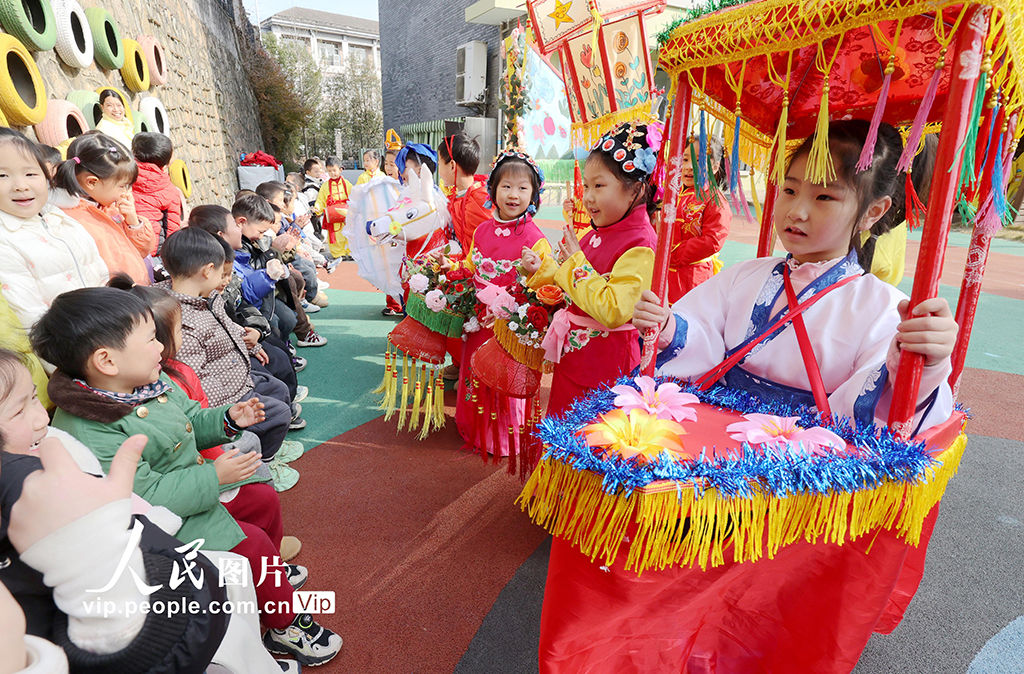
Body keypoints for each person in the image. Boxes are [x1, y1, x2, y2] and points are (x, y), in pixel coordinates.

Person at [30, 287, 343, 667]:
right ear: (107, 361)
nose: (161, 348)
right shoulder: (91, 425)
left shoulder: (143, 385)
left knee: (262, 499)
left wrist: (228, 419)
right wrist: (214, 476)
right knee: (253, 544)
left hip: (190, 488)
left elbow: (192, 417)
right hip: (156, 525)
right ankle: (284, 626)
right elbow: (145, 497)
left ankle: (267, 578)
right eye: (149, 340)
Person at [520, 122, 659, 415]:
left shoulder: (641, 242)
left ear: (635, 189)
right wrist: (541, 269)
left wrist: (574, 263)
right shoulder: (597, 232)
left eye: (599, 185)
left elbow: (615, 309)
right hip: (577, 361)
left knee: (592, 444)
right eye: (586, 185)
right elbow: (568, 280)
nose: (588, 196)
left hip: (607, 367)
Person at [156, 228, 300, 462]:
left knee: (279, 388)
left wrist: (252, 344)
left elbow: (227, 324)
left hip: (235, 374)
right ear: (207, 271)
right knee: (278, 413)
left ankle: (267, 443)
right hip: (224, 397)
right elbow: (196, 382)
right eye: (223, 272)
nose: (227, 279)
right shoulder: (180, 321)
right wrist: (233, 408)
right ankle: (262, 459)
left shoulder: (206, 296)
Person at [444, 151, 550, 459]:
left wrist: (529, 278)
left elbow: (545, 284)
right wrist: (451, 272)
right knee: (475, 370)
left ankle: (502, 437)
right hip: (479, 321)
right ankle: (471, 425)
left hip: (509, 329)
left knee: (503, 377)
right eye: (506, 186)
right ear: (493, 189)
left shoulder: (534, 236)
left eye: (522, 188)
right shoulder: (482, 230)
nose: (513, 195)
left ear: (533, 194)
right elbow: (469, 265)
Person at [0, 130, 108, 337]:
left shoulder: (61, 219)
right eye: (2, 175)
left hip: (106, 332)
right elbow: (30, 320)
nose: (21, 186)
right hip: (71, 352)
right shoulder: (4, 241)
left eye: (30, 174)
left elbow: (100, 273)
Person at [188, 204, 309, 374]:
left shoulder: (243, 247)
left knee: (282, 331)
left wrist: (257, 330)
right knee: (275, 352)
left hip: (253, 315)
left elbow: (239, 298)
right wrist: (271, 261)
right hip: (249, 319)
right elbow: (239, 296)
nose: (227, 280)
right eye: (235, 225)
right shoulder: (222, 264)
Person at [51, 132, 155, 285]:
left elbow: (141, 252)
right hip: (115, 302)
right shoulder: (67, 220)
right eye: (122, 186)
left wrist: (134, 222)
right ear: (92, 182)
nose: (125, 193)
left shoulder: (109, 207)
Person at [232, 195, 327, 349]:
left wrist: (285, 248)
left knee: (289, 316)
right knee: (276, 321)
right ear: (241, 222)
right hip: (255, 298)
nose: (262, 235)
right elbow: (252, 271)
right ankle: (282, 347)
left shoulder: (251, 238)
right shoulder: (236, 245)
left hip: (265, 292)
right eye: (261, 231)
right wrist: (274, 251)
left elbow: (264, 259)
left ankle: (284, 345)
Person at [666, 134, 732, 303]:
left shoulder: (715, 199)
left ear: (715, 166)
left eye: (697, 161)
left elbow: (712, 240)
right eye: (685, 159)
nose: (689, 167)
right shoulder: (671, 193)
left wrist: (672, 254)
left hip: (692, 276)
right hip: (665, 271)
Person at [131, 132, 183, 256]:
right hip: (150, 247)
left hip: (120, 236)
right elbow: (172, 228)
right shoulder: (169, 190)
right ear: (166, 163)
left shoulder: (123, 172)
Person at [437, 131, 491, 253]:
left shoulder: (479, 199)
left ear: (452, 166)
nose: (438, 170)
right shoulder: (468, 194)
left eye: (439, 164)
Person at [313, 156, 353, 260]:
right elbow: (321, 199)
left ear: (340, 170)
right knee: (335, 235)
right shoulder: (325, 186)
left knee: (348, 232)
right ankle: (338, 254)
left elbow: (353, 196)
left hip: (345, 212)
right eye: (329, 171)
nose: (332, 173)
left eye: (334, 170)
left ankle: (350, 252)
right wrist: (318, 208)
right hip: (333, 213)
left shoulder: (346, 184)